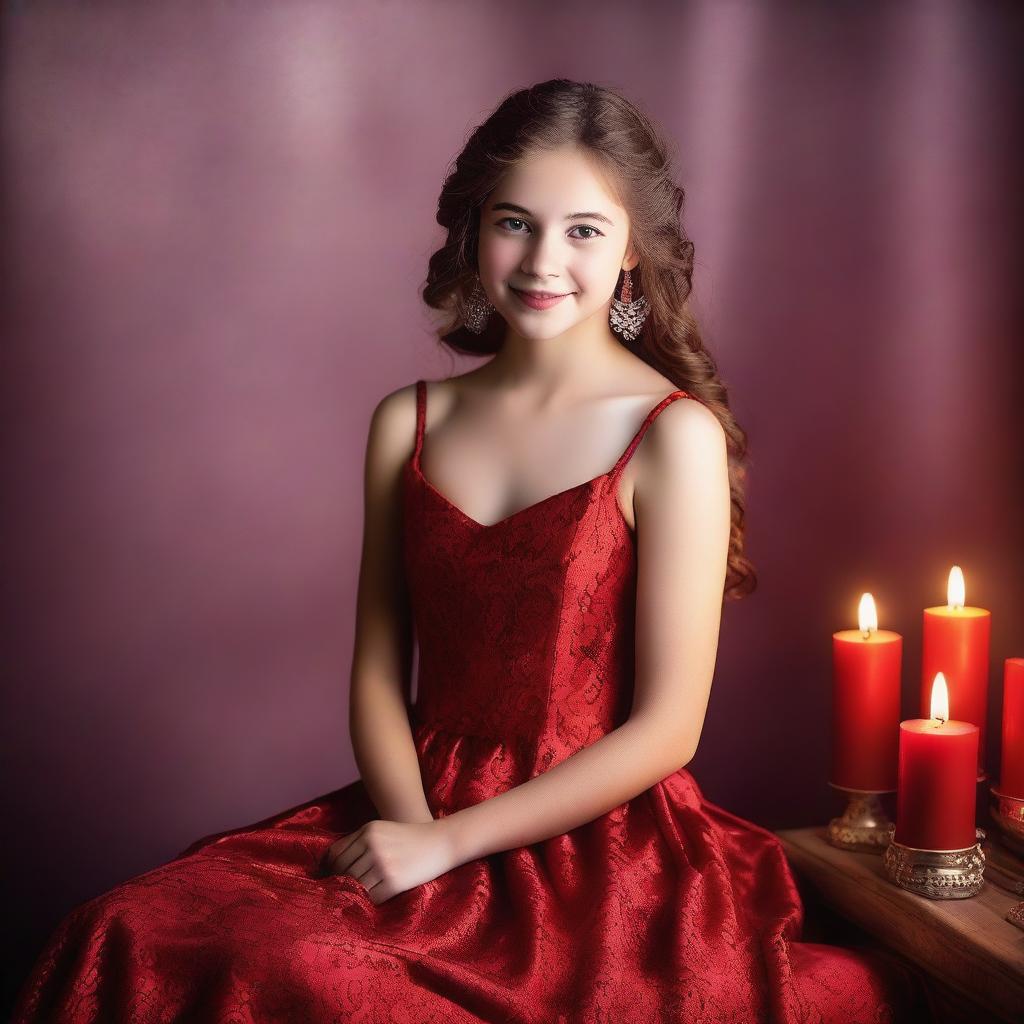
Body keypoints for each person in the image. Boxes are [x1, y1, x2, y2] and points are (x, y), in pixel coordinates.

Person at [13, 78, 935, 1023]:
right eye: (515, 222)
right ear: (472, 234)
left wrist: (455, 849)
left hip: (589, 838)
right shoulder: (408, 421)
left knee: (321, 980)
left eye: (583, 229)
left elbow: (668, 730)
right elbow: (377, 673)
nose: (544, 259)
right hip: (411, 797)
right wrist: (413, 834)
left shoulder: (671, 434)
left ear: (632, 260)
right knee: (122, 927)